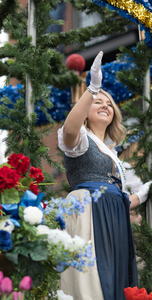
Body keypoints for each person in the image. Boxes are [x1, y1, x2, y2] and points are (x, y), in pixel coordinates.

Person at [57, 51, 151, 300]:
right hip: (88, 212)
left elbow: (120, 198)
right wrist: (93, 89)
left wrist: (142, 194)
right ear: (86, 110)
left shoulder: (114, 156)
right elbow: (69, 128)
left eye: (109, 104)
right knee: (92, 280)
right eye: (99, 102)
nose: (105, 105)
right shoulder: (79, 139)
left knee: (115, 277)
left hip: (114, 217)